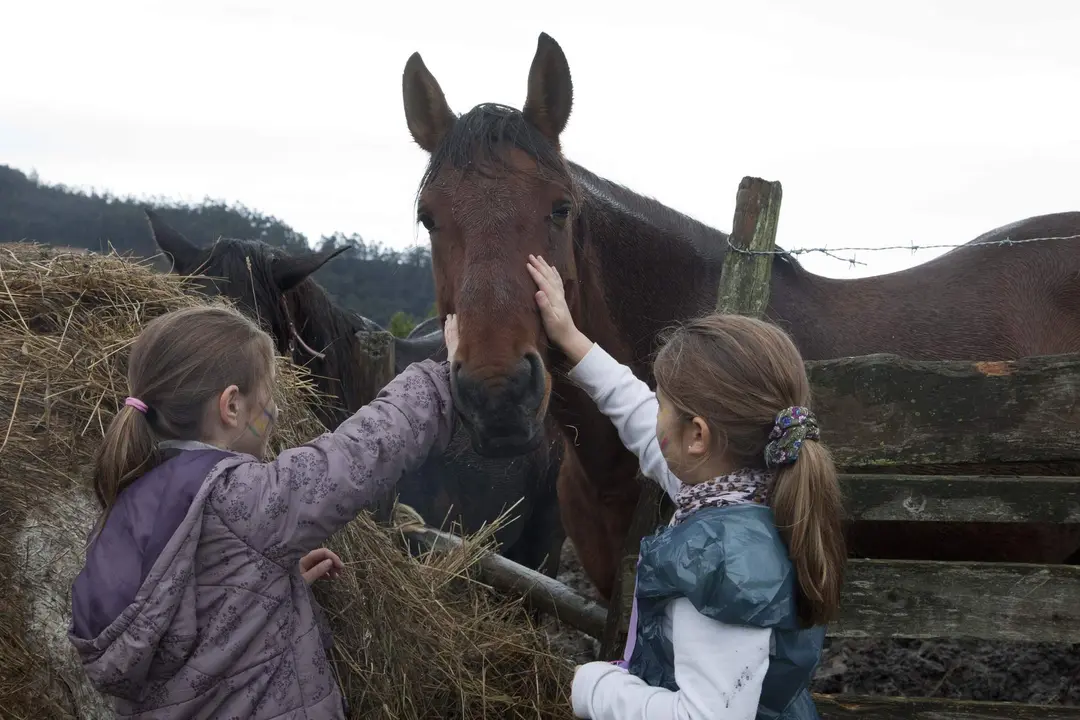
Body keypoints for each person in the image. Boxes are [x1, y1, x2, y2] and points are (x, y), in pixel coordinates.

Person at [68, 305, 461, 719]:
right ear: (232, 407)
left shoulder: (126, 509)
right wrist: (443, 377)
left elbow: (188, 615)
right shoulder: (242, 498)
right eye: (269, 396)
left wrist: (260, 583)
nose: (273, 414)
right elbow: (362, 454)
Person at [526, 255, 845, 720]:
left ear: (698, 436)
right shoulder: (749, 493)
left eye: (664, 405)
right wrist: (572, 339)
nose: (652, 415)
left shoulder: (724, 563)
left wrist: (593, 687)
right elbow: (636, 413)